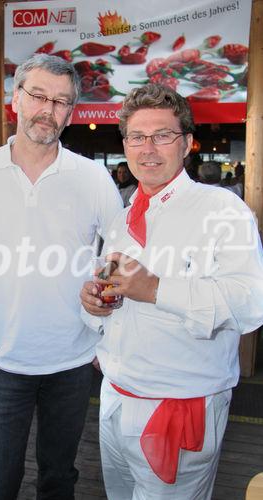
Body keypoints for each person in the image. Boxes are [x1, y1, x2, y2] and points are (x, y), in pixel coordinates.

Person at [0, 54, 122, 500]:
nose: (48, 109)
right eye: (37, 95)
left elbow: (119, 259)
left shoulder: (93, 178)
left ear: (71, 113)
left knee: (59, 481)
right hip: (0, 364)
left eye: (61, 101)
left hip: (74, 364)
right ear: (15, 98)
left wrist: (106, 319)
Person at [80, 83, 263, 500]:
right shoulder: (120, 219)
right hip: (115, 397)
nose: (148, 148)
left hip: (178, 406)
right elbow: (109, 294)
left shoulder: (222, 211)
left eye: (162, 135)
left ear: (187, 144)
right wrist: (93, 305)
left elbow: (252, 304)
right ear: (125, 144)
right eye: (137, 137)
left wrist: (156, 289)